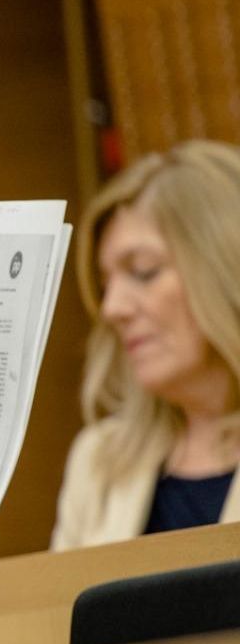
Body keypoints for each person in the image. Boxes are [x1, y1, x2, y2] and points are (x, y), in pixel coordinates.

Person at [53, 140, 240, 550]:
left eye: (143, 272)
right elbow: (60, 615)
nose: (113, 309)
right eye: (106, 286)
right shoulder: (99, 461)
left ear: (226, 269)